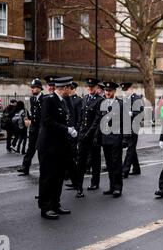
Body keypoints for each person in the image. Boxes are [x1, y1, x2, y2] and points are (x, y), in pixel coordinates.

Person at [37, 77, 76, 220]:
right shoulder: (49, 100)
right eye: (69, 87)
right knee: (48, 177)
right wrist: (67, 129)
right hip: (48, 146)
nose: (70, 90)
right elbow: (47, 121)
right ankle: (45, 207)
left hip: (59, 146)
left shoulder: (63, 101)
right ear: (64, 88)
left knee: (58, 177)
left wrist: (68, 129)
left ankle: (55, 204)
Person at [76, 78, 105, 192]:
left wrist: (88, 134)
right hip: (83, 134)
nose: (90, 88)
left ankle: (95, 182)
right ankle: (79, 185)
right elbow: (81, 117)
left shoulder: (100, 100)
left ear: (97, 88)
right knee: (81, 161)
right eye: (89, 87)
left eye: (92, 87)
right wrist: (79, 131)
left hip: (93, 136)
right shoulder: (85, 99)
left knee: (95, 160)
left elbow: (97, 120)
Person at [98, 82, 125, 197]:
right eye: (106, 90)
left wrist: (124, 139)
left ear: (114, 91)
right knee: (109, 164)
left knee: (116, 163)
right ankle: (112, 186)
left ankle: (118, 187)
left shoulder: (120, 104)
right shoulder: (102, 103)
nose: (107, 93)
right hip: (105, 138)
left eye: (110, 91)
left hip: (116, 138)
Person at [18, 79, 45, 176]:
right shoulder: (32, 99)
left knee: (41, 151)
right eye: (32, 88)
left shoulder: (44, 99)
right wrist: (28, 119)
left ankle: (43, 169)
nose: (32, 89)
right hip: (34, 128)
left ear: (39, 88)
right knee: (30, 149)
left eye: (34, 88)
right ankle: (25, 167)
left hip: (41, 129)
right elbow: (33, 113)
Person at [121, 82, 144, 179]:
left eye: (126, 90)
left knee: (130, 148)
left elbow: (141, 112)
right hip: (127, 126)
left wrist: (132, 113)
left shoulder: (136, 98)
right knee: (132, 148)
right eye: (124, 90)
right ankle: (136, 168)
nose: (125, 92)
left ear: (130, 89)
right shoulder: (125, 99)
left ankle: (124, 170)